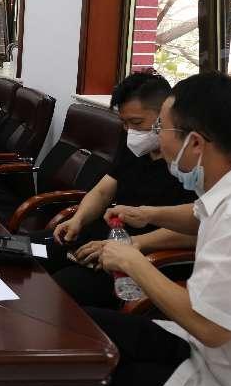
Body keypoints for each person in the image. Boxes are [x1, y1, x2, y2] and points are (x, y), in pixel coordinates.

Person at [88, 72, 231, 386]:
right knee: (84, 325)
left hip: (221, 372)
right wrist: (146, 214)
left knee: (87, 367)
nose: (157, 139)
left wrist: (132, 261)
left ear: (195, 142)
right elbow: (200, 216)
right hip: (200, 345)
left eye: (160, 128)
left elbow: (210, 327)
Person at [45, 73, 196, 309]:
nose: (129, 131)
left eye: (136, 123)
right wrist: (78, 219)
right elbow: (103, 190)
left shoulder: (187, 162)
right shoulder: (133, 145)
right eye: (124, 123)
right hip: (109, 237)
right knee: (33, 251)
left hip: (144, 256)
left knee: (57, 290)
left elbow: (196, 228)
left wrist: (131, 243)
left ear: (166, 116)